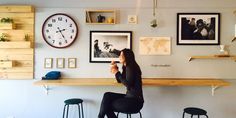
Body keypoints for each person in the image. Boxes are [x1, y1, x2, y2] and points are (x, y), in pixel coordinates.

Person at [98, 48, 144, 118]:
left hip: (135, 101)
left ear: (127, 56)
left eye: (121, 55)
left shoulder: (131, 67)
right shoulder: (126, 67)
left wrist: (117, 72)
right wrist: (116, 69)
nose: (119, 56)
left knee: (106, 105)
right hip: (128, 97)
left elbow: (128, 84)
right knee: (107, 96)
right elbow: (120, 80)